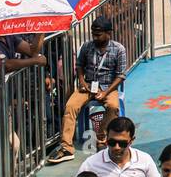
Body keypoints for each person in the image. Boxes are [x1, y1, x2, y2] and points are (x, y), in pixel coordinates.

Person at [48, 17, 127, 164]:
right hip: (88, 85)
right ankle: (66, 147)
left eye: (98, 34)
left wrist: (106, 92)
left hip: (108, 87)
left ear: (109, 33)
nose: (95, 37)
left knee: (113, 107)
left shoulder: (119, 49)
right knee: (70, 106)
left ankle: (101, 137)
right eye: (93, 34)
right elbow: (79, 66)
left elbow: (121, 75)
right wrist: (83, 82)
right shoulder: (86, 46)